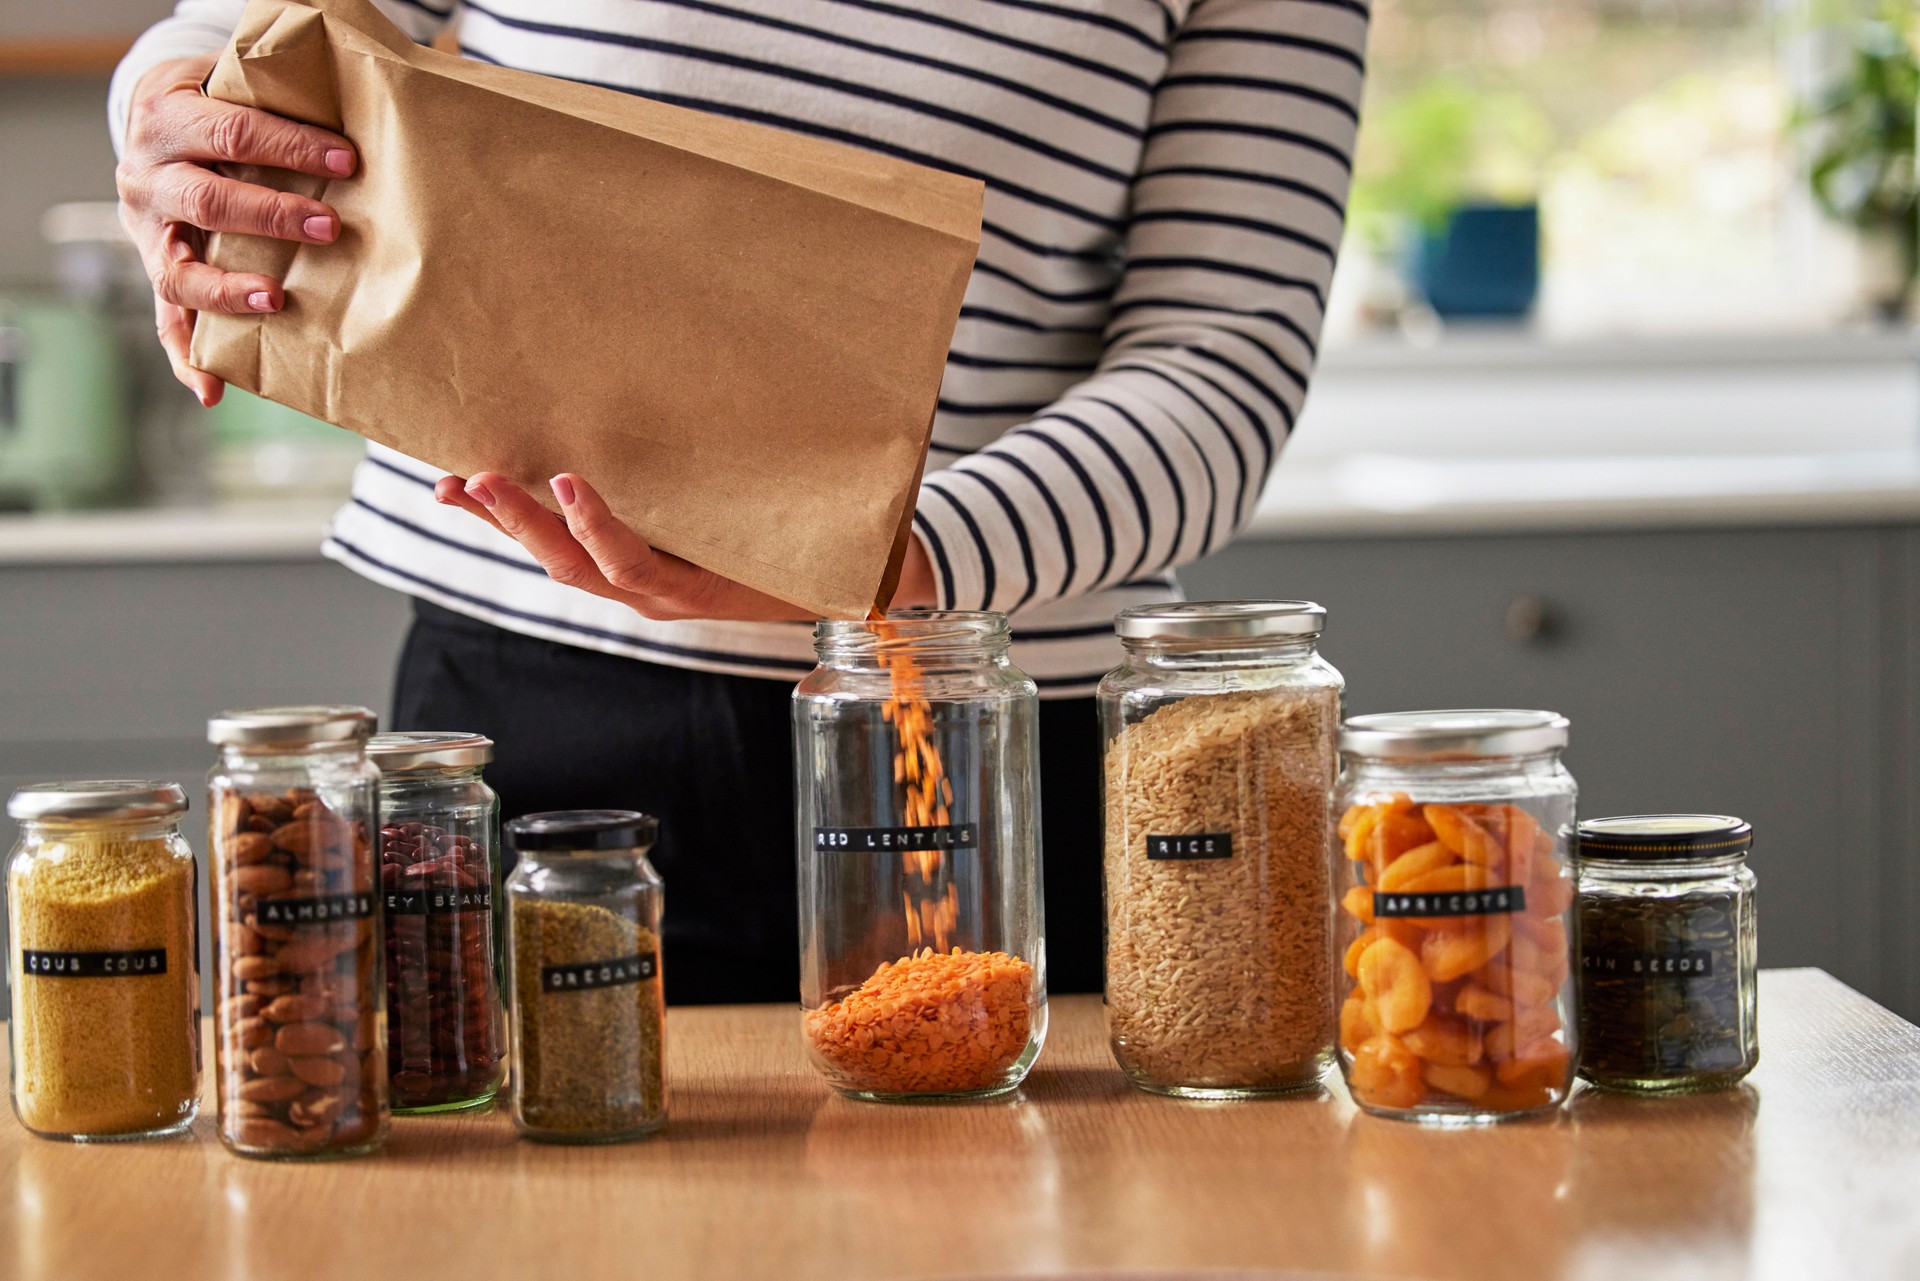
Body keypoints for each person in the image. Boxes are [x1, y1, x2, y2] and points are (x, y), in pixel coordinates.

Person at [111, 0, 1369, 1004]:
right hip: (534, 700)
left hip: (966, 720)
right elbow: (249, 39)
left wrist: (894, 556)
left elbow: (1219, 361)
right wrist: (170, 116)